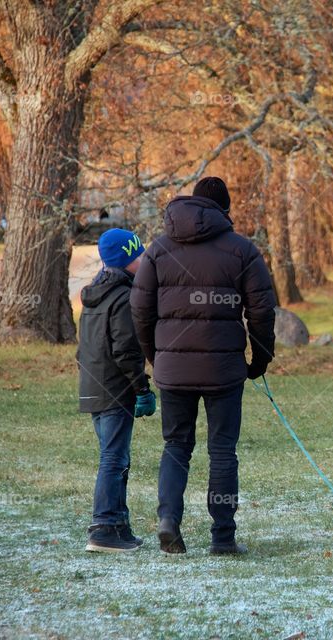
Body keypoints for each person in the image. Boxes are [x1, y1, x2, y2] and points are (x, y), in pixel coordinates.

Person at [131, 176, 276, 556]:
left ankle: (168, 522)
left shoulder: (158, 251)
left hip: (173, 370)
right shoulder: (242, 250)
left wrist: (156, 355)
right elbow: (261, 312)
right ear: (224, 210)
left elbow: (140, 310)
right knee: (223, 451)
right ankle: (223, 536)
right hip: (224, 371)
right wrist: (259, 361)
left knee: (176, 446)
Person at [77, 228, 157, 552]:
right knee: (113, 458)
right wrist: (142, 389)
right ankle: (104, 526)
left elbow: (84, 349)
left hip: (93, 388)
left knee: (118, 457)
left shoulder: (95, 295)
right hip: (114, 390)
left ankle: (120, 524)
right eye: (140, 255)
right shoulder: (123, 297)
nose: (145, 260)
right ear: (127, 260)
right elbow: (125, 350)